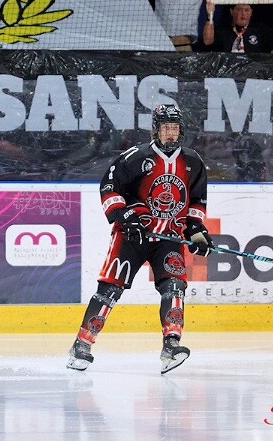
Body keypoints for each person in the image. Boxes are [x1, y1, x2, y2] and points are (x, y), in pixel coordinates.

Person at [67, 105, 209, 374]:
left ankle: (171, 345)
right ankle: (81, 345)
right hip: (132, 235)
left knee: (174, 286)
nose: (171, 133)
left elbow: (197, 200)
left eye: (175, 128)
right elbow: (109, 187)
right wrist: (123, 216)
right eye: (165, 128)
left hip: (168, 236)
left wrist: (196, 230)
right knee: (110, 289)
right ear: (156, 129)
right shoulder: (135, 157)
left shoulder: (193, 161)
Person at [201, 1, 273, 53]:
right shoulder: (223, 30)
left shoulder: (260, 29)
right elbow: (207, 41)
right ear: (231, 12)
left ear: (251, 13)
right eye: (239, 10)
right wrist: (210, 15)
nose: (243, 14)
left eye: (247, 10)